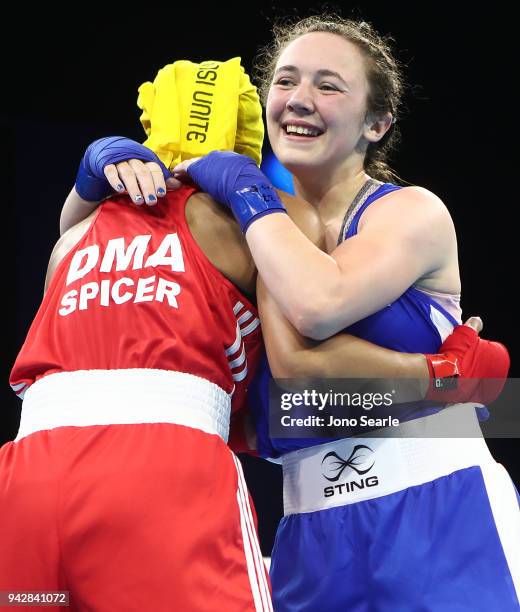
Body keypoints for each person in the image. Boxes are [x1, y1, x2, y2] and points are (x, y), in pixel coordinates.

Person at [168, 16, 519, 611]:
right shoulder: (236, 235)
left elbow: (317, 307)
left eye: (329, 86)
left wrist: (248, 192)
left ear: (376, 123)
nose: (299, 100)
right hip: (308, 529)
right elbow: (265, 393)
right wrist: (98, 187)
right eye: (285, 81)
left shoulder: (409, 213)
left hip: (438, 507)